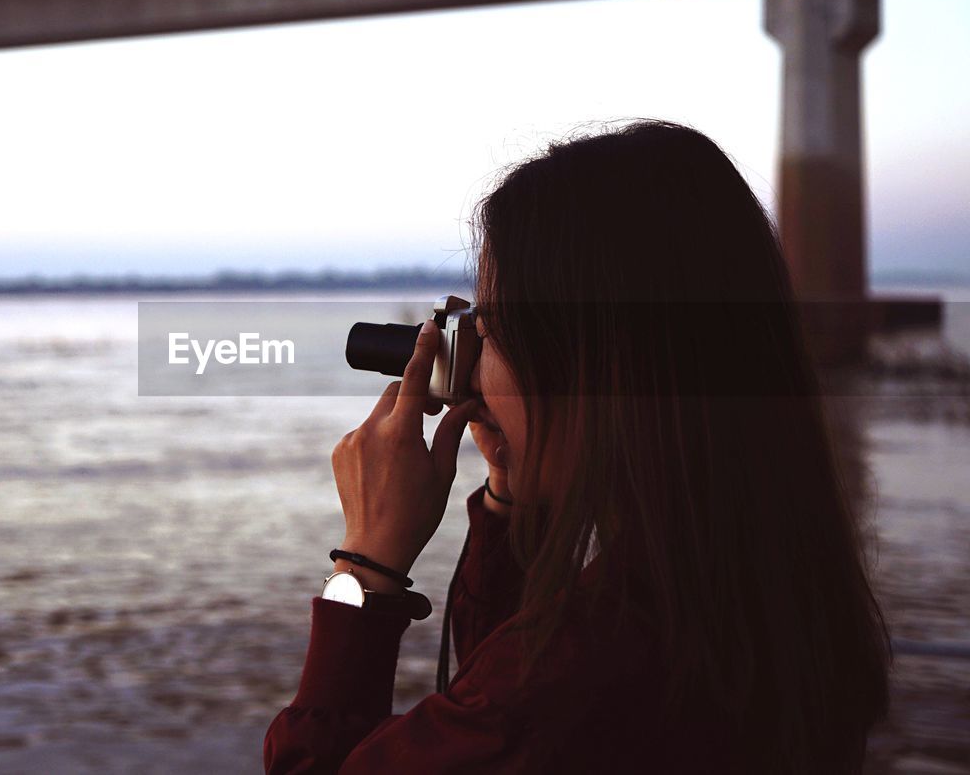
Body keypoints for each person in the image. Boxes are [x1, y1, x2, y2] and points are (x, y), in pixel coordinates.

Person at [263, 121, 891, 774]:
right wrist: (508, 503)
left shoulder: (575, 673)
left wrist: (365, 566)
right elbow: (491, 684)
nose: (473, 357)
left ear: (587, 370)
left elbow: (508, 704)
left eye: (492, 327)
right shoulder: (763, 587)